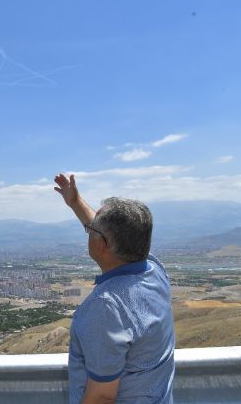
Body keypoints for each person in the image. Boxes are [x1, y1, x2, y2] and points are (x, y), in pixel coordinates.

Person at [54, 173, 175, 404]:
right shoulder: (153, 270)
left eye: (91, 231)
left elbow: (102, 396)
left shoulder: (107, 306)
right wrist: (76, 203)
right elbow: (110, 234)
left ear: (102, 244)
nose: (88, 230)